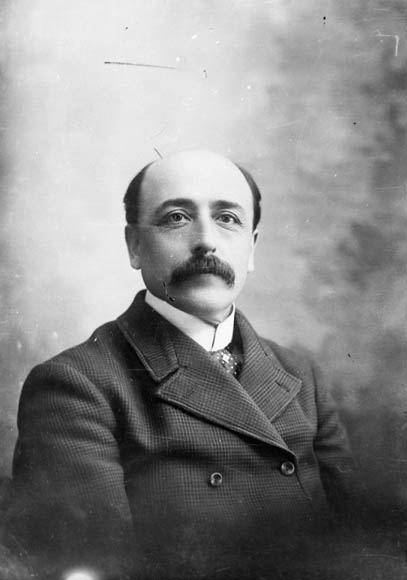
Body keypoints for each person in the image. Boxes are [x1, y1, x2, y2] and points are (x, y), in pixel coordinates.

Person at [5, 150, 356, 580]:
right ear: (135, 246)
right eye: (176, 218)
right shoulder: (76, 385)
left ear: (251, 248)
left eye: (227, 218)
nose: (206, 239)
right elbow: (89, 567)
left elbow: (358, 543)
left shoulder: (302, 376)